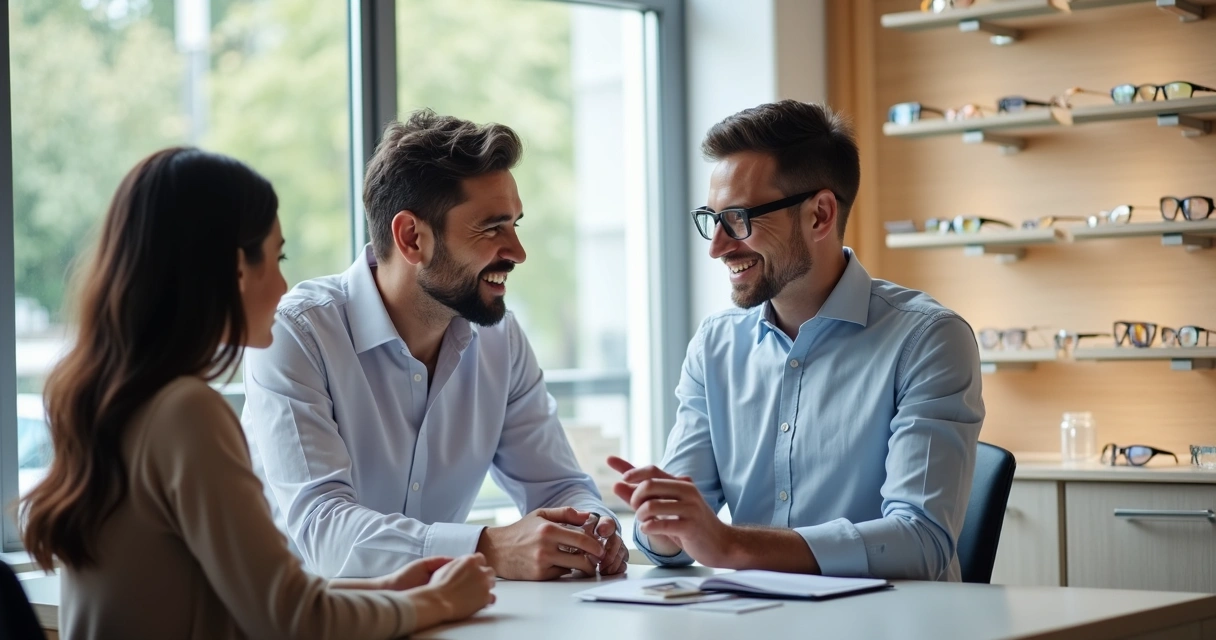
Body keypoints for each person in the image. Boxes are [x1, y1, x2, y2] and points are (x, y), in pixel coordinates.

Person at [18, 148, 495, 640]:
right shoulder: (185, 413)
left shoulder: (116, 400)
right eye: (277, 256)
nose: (286, 282)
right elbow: (291, 618)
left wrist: (392, 591)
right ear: (236, 270)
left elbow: (258, 597)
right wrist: (437, 602)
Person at [241, 110, 626, 582]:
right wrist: (487, 547)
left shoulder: (499, 338)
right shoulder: (297, 334)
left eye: (515, 225)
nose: (517, 252)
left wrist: (593, 528)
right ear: (411, 238)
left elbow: (557, 485)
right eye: (491, 228)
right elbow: (323, 533)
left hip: (441, 616)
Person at [610, 100, 984, 581]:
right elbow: (676, 536)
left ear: (819, 216)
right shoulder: (715, 346)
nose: (717, 246)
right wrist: (662, 524)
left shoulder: (928, 339)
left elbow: (920, 542)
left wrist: (731, 544)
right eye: (712, 218)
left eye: (740, 219)